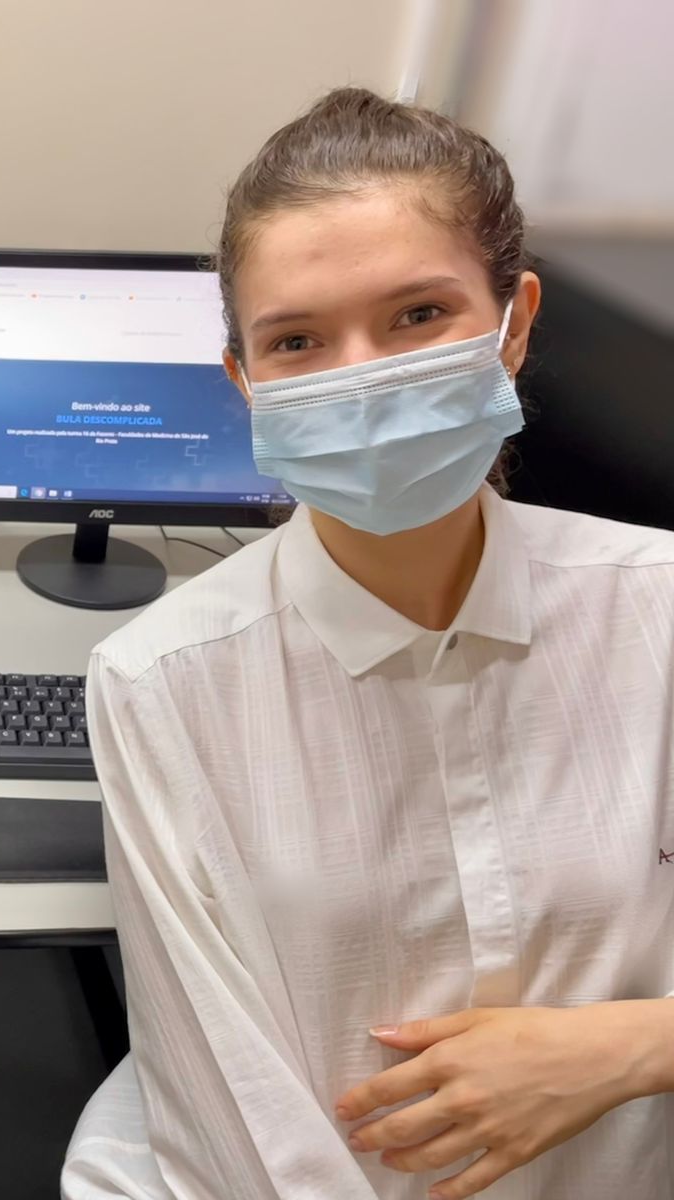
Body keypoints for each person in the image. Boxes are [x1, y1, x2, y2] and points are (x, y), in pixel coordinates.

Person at [68, 88, 674, 1200]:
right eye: (297, 340)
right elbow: (228, 1105)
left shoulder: (658, 611)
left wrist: (636, 1045)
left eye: (417, 315)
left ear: (514, 323)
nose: (359, 378)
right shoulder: (161, 681)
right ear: (244, 381)